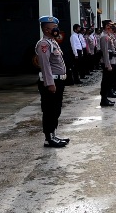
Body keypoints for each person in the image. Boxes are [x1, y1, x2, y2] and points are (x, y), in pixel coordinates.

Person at [35, 16, 70, 148]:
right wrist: (50, 83)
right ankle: (48, 138)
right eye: (53, 28)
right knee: (49, 110)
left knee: (56, 110)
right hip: (51, 82)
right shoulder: (43, 44)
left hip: (58, 81)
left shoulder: (53, 42)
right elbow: (45, 65)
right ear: (46, 29)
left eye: (56, 27)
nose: (56, 30)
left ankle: (53, 135)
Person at [99, 19, 116, 107]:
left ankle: (106, 98)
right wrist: (107, 64)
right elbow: (105, 52)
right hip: (107, 61)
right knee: (105, 81)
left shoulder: (108, 35)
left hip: (111, 60)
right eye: (110, 25)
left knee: (109, 81)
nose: (112, 26)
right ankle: (103, 99)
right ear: (106, 26)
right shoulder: (104, 36)